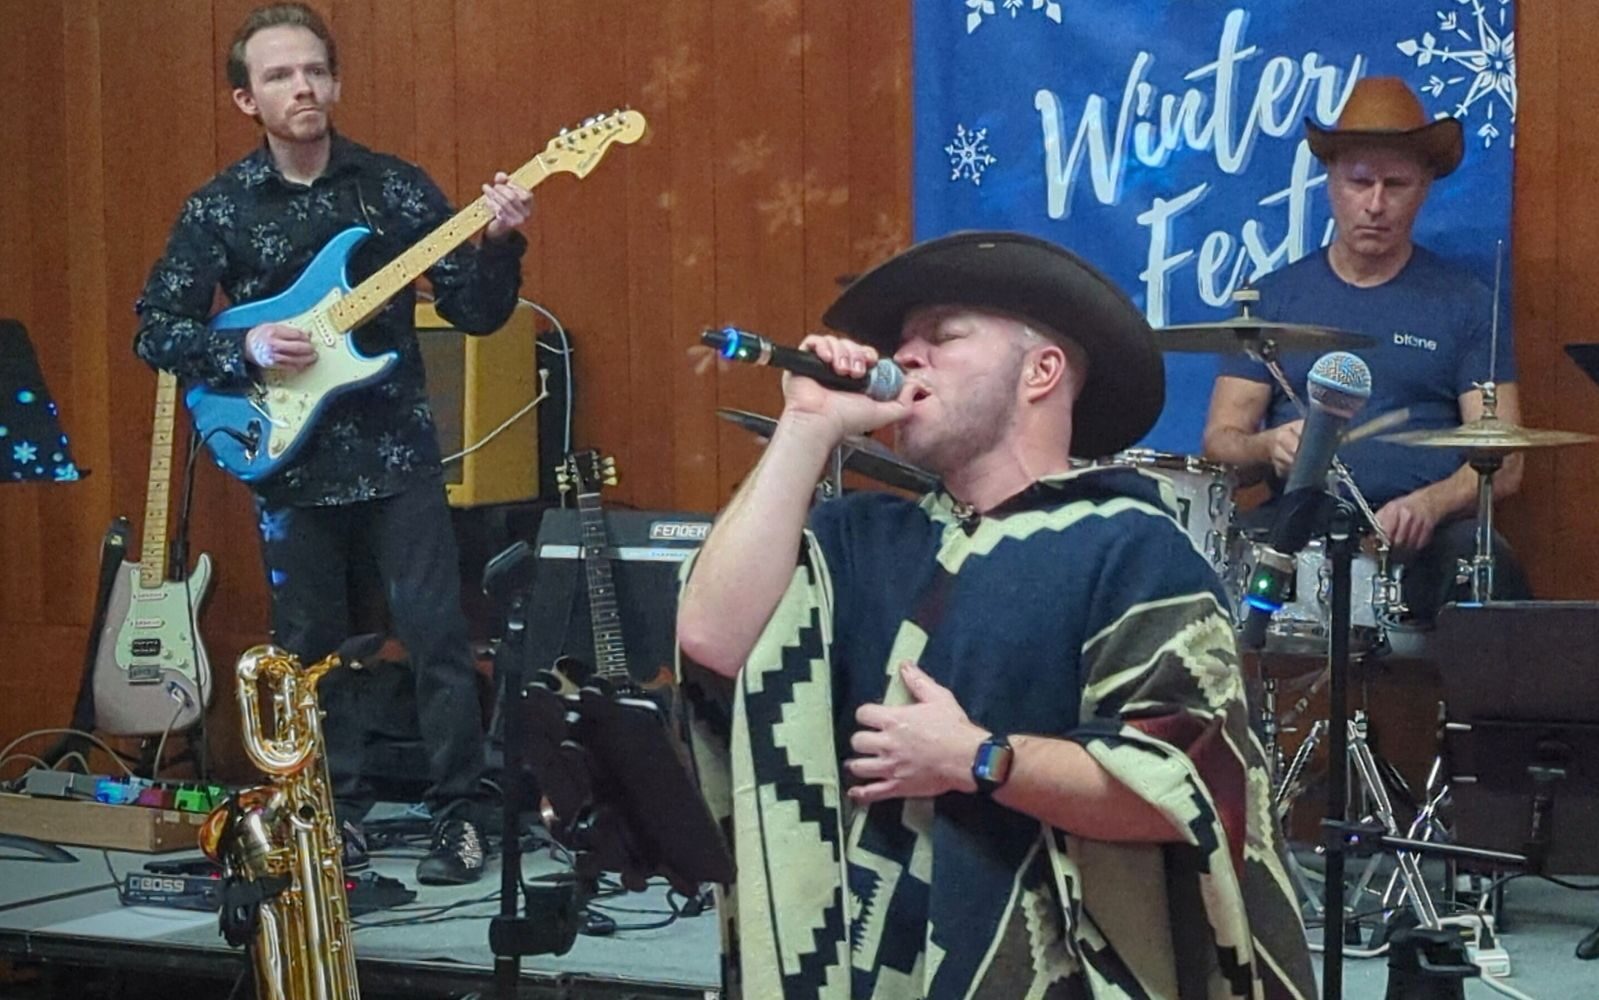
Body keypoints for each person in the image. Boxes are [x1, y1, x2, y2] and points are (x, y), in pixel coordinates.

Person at [676, 231, 1315, 998]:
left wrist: (978, 758)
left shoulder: (1129, 546)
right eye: (900, 343)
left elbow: (1186, 789)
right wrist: (805, 425)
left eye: (942, 336)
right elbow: (713, 638)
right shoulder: (856, 537)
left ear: (1041, 371)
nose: (905, 357)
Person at [134, 2, 533, 885]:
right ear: (247, 99)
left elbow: (476, 312)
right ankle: (328, 816)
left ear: (337, 82)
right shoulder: (219, 207)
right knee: (309, 655)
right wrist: (243, 345)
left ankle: (458, 816)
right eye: (279, 75)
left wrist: (500, 241)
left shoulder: (392, 189)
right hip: (288, 463)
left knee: (436, 638)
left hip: (396, 454)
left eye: (314, 70)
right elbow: (156, 328)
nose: (302, 87)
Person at [1203, 76, 1529, 622]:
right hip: (1299, 526)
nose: (1376, 204)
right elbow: (1220, 442)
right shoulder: (1272, 299)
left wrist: (1431, 504)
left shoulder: (1467, 303)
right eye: (1359, 182)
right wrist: (1266, 446)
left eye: (1395, 184)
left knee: (1488, 564)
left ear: (1424, 189)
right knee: (1206, 575)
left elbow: (1507, 461)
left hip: (1425, 538)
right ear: (1330, 182)